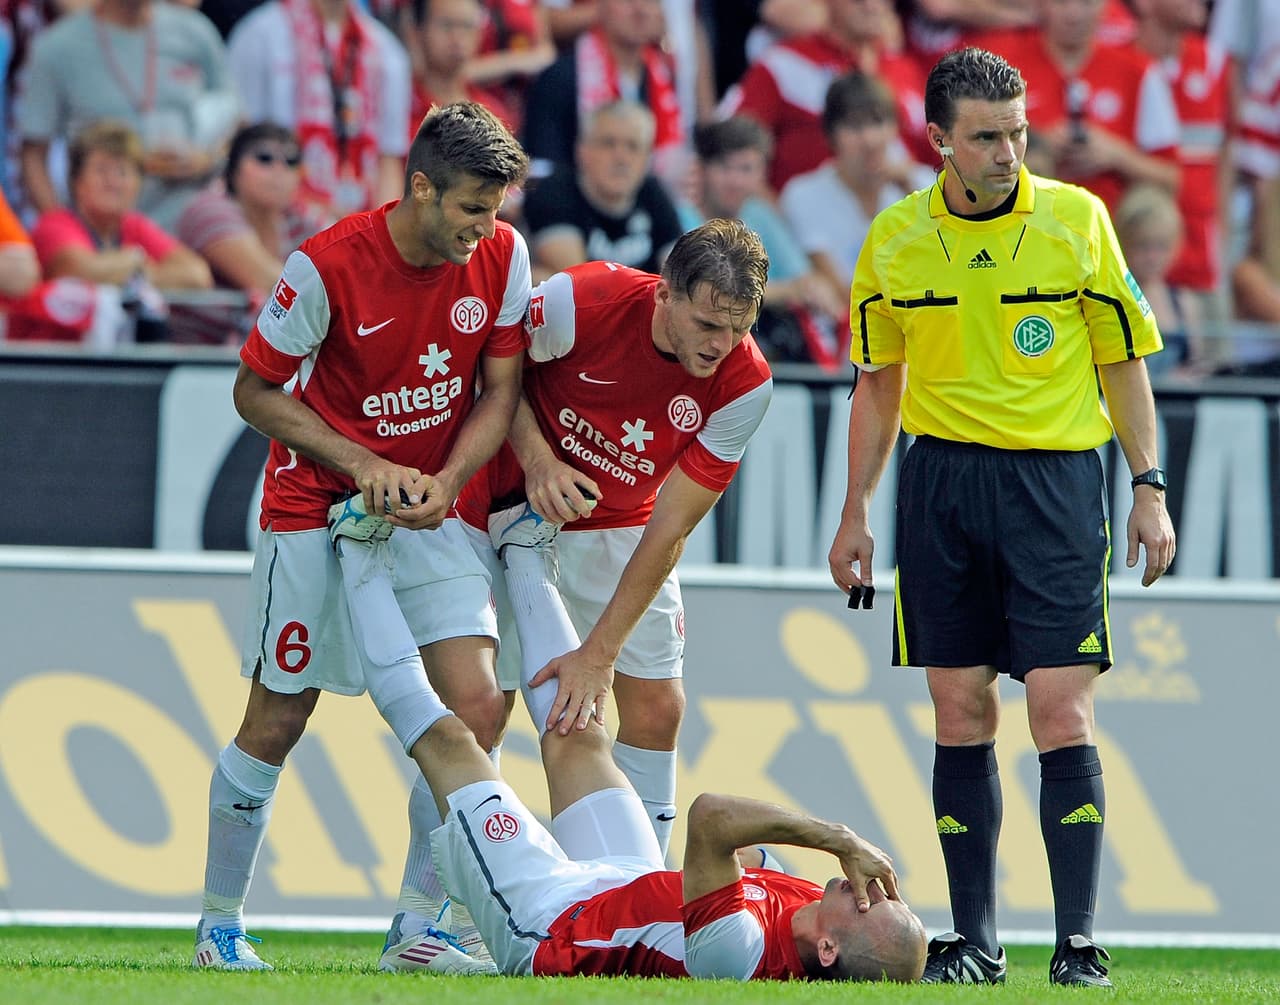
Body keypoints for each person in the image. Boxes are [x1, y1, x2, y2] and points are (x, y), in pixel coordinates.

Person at [826, 47, 1175, 988]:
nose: (1008, 152)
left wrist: (1148, 485)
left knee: (1060, 709)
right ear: (938, 140)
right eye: (986, 137)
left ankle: (1079, 944)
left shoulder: (1078, 220)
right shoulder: (894, 239)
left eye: (1017, 132)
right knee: (958, 708)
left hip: (1055, 486)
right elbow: (877, 384)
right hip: (939, 487)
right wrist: (855, 511)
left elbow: (1123, 361)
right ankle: (975, 941)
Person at [191, 102, 531, 974]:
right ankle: (219, 925)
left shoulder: (503, 254)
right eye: (470, 208)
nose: (483, 228)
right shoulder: (327, 265)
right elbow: (254, 392)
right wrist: (361, 460)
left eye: (494, 210)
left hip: (427, 507)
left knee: (479, 705)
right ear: (420, 188)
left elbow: (500, 392)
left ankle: (417, 927)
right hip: (316, 504)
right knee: (278, 718)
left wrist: (446, 481)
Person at [370, 498, 929, 981]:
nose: (868, 890)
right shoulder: (812, 906)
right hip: (616, 882)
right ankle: (522, 546)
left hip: (551, 928)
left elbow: (711, 818)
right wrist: (756, 858)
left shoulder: (737, 954)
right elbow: (743, 854)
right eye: (885, 895)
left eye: (869, 906)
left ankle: (356, 552)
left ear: (827, 950)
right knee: (578, 729)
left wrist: (837, 838)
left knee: (453, 739)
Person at [449, 218, 773, 873]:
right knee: (481, 713)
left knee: (658, 708)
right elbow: (491, 373)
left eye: (739, 328)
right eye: (708, 324)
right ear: (664, 294)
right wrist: (539, 461)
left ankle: (644, 895)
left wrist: (599, 655)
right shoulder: (579, 300)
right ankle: (436, 911)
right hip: (505, 507)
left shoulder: (746, 384)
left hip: (621, 524)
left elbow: (671, 526)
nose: (722, 344)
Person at [17, 0, 238, 233]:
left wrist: (209, 159)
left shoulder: (194, 30)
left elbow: (237, 119)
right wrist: (64, 231)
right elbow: (33, 154)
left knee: (219, 225)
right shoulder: (58, 47)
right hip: (105, 223)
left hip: (191, 207)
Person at [779, 71, 934, 361]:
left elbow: (946, 263)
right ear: (831, 136)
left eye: (878, 122)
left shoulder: (925, 185)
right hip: (846, 348)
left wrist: (910, 190)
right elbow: (845, 295)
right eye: (854, 126)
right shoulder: (803, 195)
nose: (870, 139)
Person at [971, 0, 1181, 214]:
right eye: (1061, 3)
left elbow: (1171, 178)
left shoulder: (1138, 73)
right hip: (1029, 213)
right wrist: (1036, 144)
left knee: (1154, 210)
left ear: (1104, 6)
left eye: (1086, 3)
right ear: (1042, 5)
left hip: (1111, 216)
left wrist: (1116, 155)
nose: (1074, 14)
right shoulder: (1002, 70)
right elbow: (972, 157)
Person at [13, 120, 212, 343]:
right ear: (77, 181)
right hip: (48, 355)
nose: (113, 182)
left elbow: (197, 275)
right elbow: (78, 270)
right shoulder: (54, 223)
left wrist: (136, 274)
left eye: (123, 172)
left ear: (138, 184)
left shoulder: (134, 225)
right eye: (102, 170)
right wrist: (136, 260)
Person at [679, 116, 847, 366]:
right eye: (724, 167)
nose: (735, 180)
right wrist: (787, 292)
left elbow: (802, 278)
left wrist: (815, 291)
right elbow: (708, 293)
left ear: (762, 173)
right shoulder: (681, 218)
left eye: (746, 169)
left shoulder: (759, 215)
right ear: (702, 169)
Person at [227, 0, 411, 223]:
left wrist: (376, 229)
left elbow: (388, 159)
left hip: (360, 224)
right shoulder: (259, 35)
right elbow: (242, 145)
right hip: (278, 222)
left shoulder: (387, 51)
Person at [173, 123, 323, 343]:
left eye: (291, 161)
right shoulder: (208, 209)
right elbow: (271, 282)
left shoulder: (300, 218)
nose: (279, 169)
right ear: (234, 168)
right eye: (264, 158)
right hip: (195, 354)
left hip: (263, 353)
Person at [521, 99, 683, 282]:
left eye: (633, 146)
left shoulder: (653, 193)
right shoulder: (555, 191)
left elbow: (680, 279)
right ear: (582, 151)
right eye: (608, 143)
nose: (621, 158)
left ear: (647, 159)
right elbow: (576, 282)